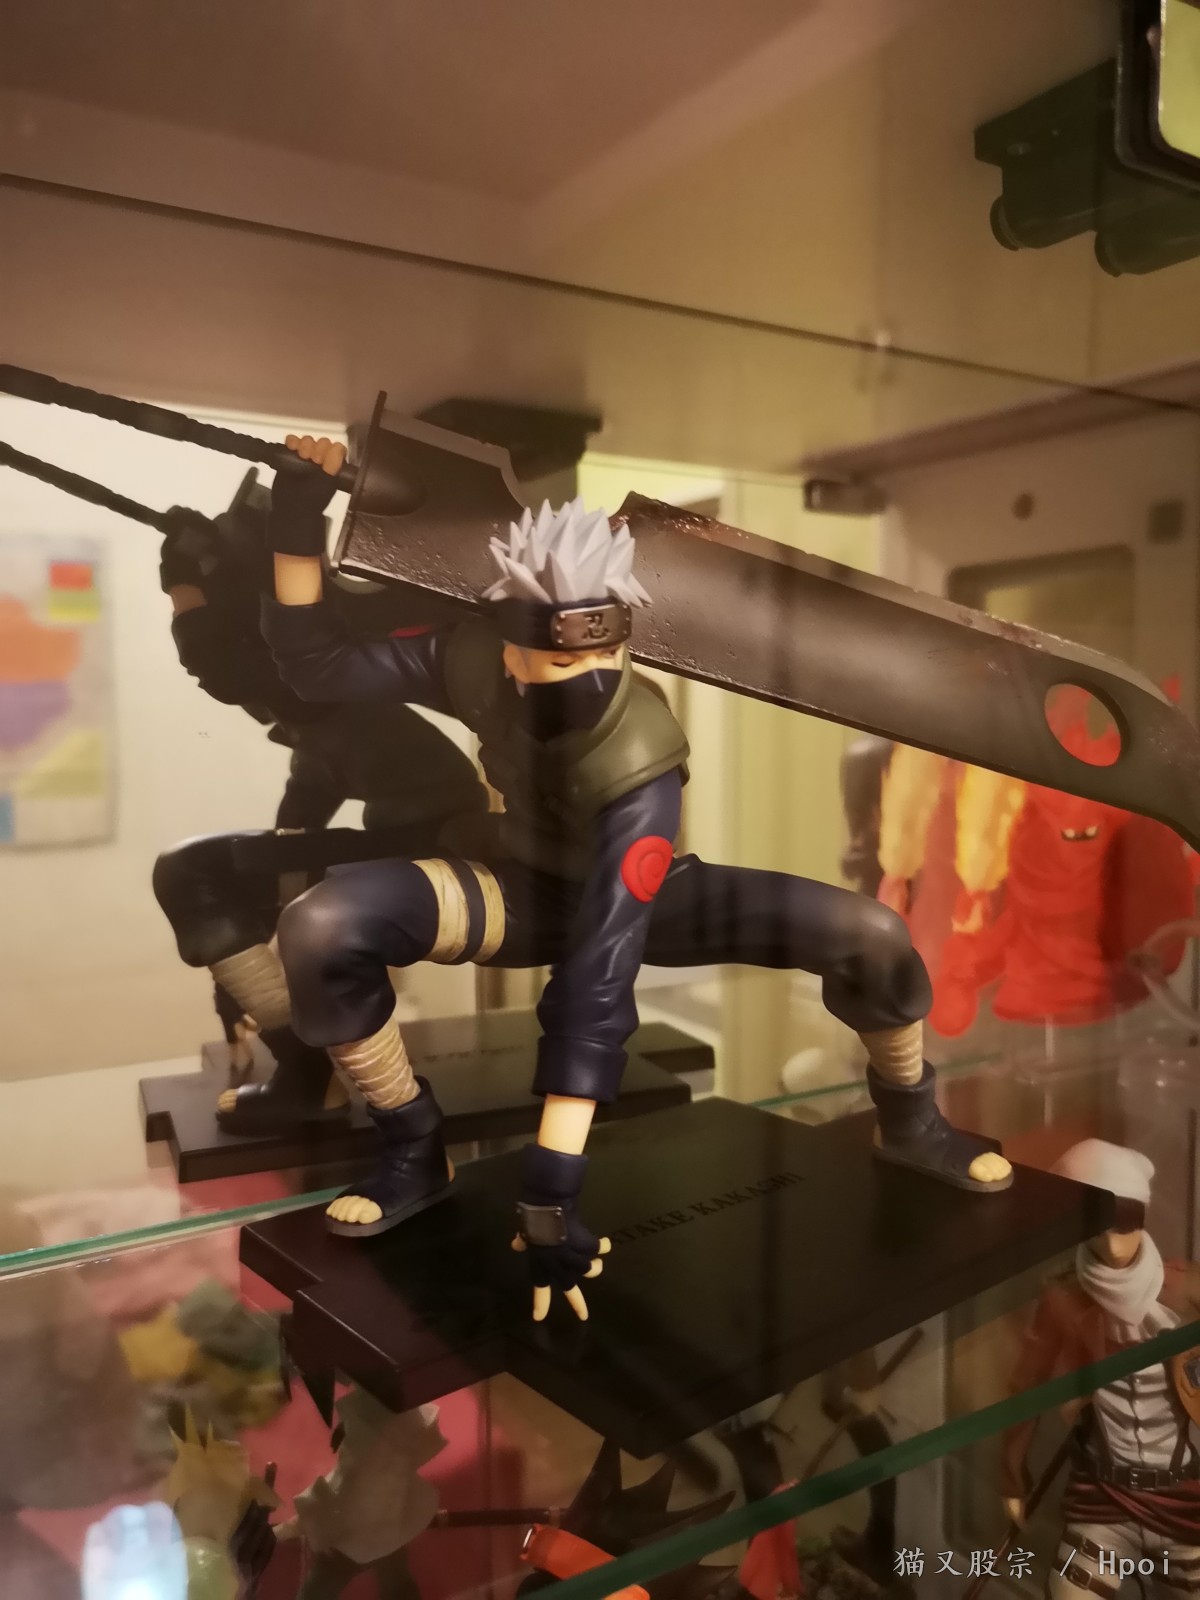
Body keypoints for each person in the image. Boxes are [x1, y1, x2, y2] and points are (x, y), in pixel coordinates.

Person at [257, 434, 1011, 1321]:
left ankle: (912, 1119)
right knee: (321, 927)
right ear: (510, 651)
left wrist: (551, 1184)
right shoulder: (471, 660)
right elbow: (318, 665)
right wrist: (296, 513)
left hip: (650, 900)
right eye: (560, 660)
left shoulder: (639, 756)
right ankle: (410, 1146)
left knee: (871, 934)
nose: (590, 677)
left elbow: (599, 974)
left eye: (605, 654)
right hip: (518, 888)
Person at [152, 472, 488, 1129]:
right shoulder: (324, 718)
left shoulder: (322, 691)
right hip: (414, 834)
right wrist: (251, 927)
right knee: (205, 873)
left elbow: (217, 668)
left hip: (432, 841)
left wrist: (183, 582)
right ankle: (308, 1063)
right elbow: (301, 810)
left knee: (192, 873)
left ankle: (310, 1071)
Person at [1001, 1140, 1200, 1600]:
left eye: (1125, 1223)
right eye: (1098, 1226)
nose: (1112, 1242)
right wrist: (1012, 1472)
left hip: (1185, 1497)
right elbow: (1026, 1385)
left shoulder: (1187, 1289)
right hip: (1104, 1497)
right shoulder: (1064, 1297)